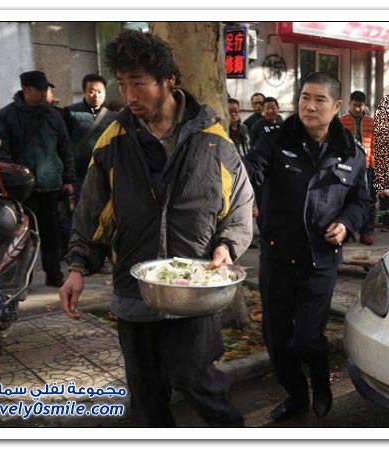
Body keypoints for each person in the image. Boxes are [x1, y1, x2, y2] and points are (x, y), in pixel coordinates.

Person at [59, 30, 254, 427]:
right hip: (135, 290)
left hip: (193, 289)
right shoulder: (112, 142)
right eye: (123, 84)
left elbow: (239, 206)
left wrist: (227, 247)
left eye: (139, 83)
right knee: (146, 395)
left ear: (168, 80)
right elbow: (92, 211)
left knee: (195, 378)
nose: (129, 95)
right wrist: (77, 266)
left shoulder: (213, 140)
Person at [244, 72, 371, 422]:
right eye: (304, 97)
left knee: (307, 339)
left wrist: (346, 223)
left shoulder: (352, 152)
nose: (309, 106)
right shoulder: (274, 140)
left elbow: (362, 202)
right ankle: (297, 396)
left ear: (336, 106)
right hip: (277, 256)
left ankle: (321, 382)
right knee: (277, 338)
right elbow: (251, 170)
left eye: (319, 100)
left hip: (320, 260)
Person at [0, 70, 76, 287]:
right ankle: (23, 278)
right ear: (25, 89)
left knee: (51, 232)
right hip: (21, 188)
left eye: (46, 89)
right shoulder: (6, 116)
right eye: (39, 90)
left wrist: (68, 179)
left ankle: (54, 273)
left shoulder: (53, 116)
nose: (44, 93)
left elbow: (65, 148)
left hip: (50, 184)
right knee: (21, 234)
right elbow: (0, 151)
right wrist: (10, 179)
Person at [64, 73, 117, 275]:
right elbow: (64, 145)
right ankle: (82, 258)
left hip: (106, 174)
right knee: (85, 216)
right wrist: (68, 176)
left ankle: (106, 257)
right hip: (80, 174)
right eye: (91, 91)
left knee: (108, 215)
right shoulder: (71, 114)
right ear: (84, 92)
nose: (96, 95)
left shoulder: (113, 117)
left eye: (100, 92)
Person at [340, 90, 376, 245]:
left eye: (360, 106)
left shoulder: (371, 122)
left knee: (367, 199)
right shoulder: (341, 121)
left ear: (364, 105)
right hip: (347, 166)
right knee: (346, 197)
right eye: (354, 105)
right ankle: (347, 229)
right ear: (349, 104)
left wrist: (373, 165)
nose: (357, 108)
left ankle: (366, 232)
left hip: (367, 166)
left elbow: (375, 145)